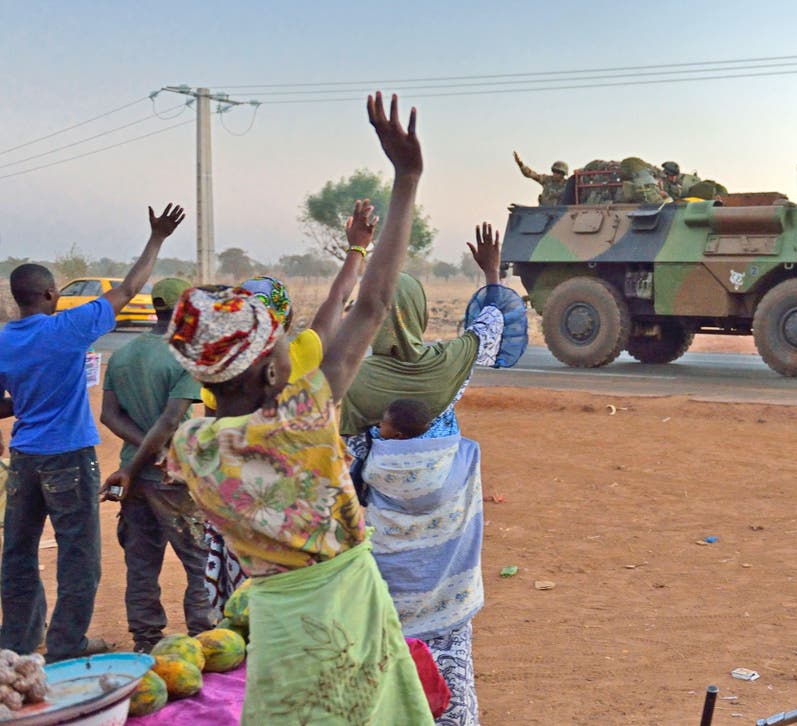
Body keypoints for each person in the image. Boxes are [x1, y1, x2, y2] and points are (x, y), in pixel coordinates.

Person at [165, 92, 434, 724]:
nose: (294, 344)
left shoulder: (192, 447)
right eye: (279, 341)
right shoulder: (304, 417)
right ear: (265, 367)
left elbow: (352, 311)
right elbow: (370, 307)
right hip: (348, 607)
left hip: (278, 618)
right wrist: (408, 178)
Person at [340, 223, 528, 725]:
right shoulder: (448, 366)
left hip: (384, 559)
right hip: (448, 559)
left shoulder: (351, 384)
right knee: (451, 662)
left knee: (377, 659)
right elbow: (491, 325)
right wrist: (491, 270)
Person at [0, 204, 185, 661]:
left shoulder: (4, 340)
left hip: (24, 457)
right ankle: (68, 644)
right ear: (49, 293)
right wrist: (157, 239)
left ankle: (19, 641)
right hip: (68, 457)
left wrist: (25, 402)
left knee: (18, 552)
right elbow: (129, 288)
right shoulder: (68, 328)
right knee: (78, 556)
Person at [196, 200, 379, 611]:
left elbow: (212, 439)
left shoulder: (219, 375)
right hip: (295, 518)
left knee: (242, 620)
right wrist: (358, 248)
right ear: (287, 321)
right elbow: (342, 298)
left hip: (239, 515)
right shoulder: (302, 354)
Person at [98, 277, 213, 653]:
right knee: (199, 559)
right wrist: (156, 448)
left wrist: (134, 459)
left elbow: (109, 415)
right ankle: (204, 635)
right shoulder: (184, 355)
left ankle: (146, 640)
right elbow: (168, 422)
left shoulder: (123, 355)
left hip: (133, 475)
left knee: (142, 562)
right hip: (171, 476)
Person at [361, 396, 485, 726]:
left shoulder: (373, 463)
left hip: (392, 596)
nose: (378, 429)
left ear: (398, 435)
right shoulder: (461, 458)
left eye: (383, 425)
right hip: (447, 599)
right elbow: (463, 439)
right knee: (451, 675)